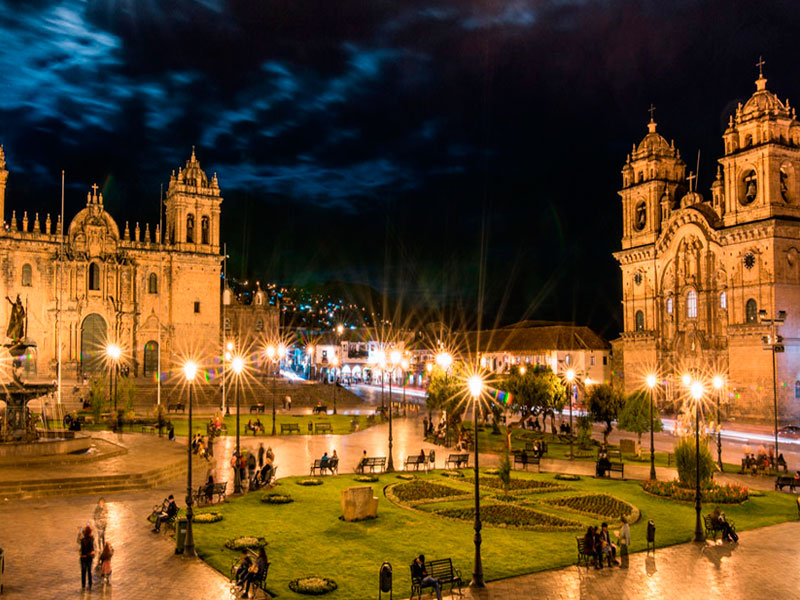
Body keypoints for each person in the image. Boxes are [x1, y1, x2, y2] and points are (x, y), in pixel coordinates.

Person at [78, 524, 95, 590]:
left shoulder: (83, 540)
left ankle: (83, 585)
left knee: (83, 571)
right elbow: (92, 550)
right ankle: (90, 584)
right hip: (89, 558)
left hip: (83, 557)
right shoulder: (91, 540)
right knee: (89, 570)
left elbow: (79, 544)